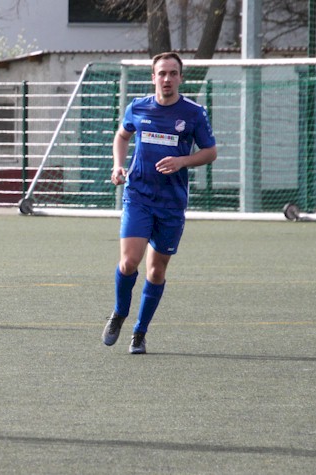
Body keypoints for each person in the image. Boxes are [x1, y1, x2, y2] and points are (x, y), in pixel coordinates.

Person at [102, 52, 217, 354]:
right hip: (139, 195)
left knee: (156, 272)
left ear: (181, 77)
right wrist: (118, 166)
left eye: (173, 74)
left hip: (171, 202)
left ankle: (140, 331)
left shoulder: (193, 113)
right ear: (153, 77)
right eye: (162, 73)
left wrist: (182, 161)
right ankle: (119, 313)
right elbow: (122, 136)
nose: (167, 79)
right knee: (129, 262)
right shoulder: (138, 107)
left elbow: (210, 152)